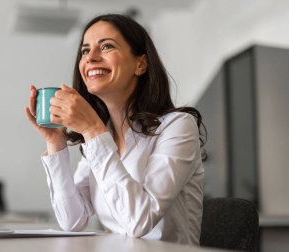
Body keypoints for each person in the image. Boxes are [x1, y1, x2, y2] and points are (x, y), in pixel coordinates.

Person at [25, 13, 206, 244]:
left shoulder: (178, 126)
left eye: (106, 46)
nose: (90, 58)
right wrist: (55, 143)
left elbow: (139, 221)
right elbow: (73, 220)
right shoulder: (101, 134)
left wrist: (92, 130)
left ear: (140, 64)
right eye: (84, 51)